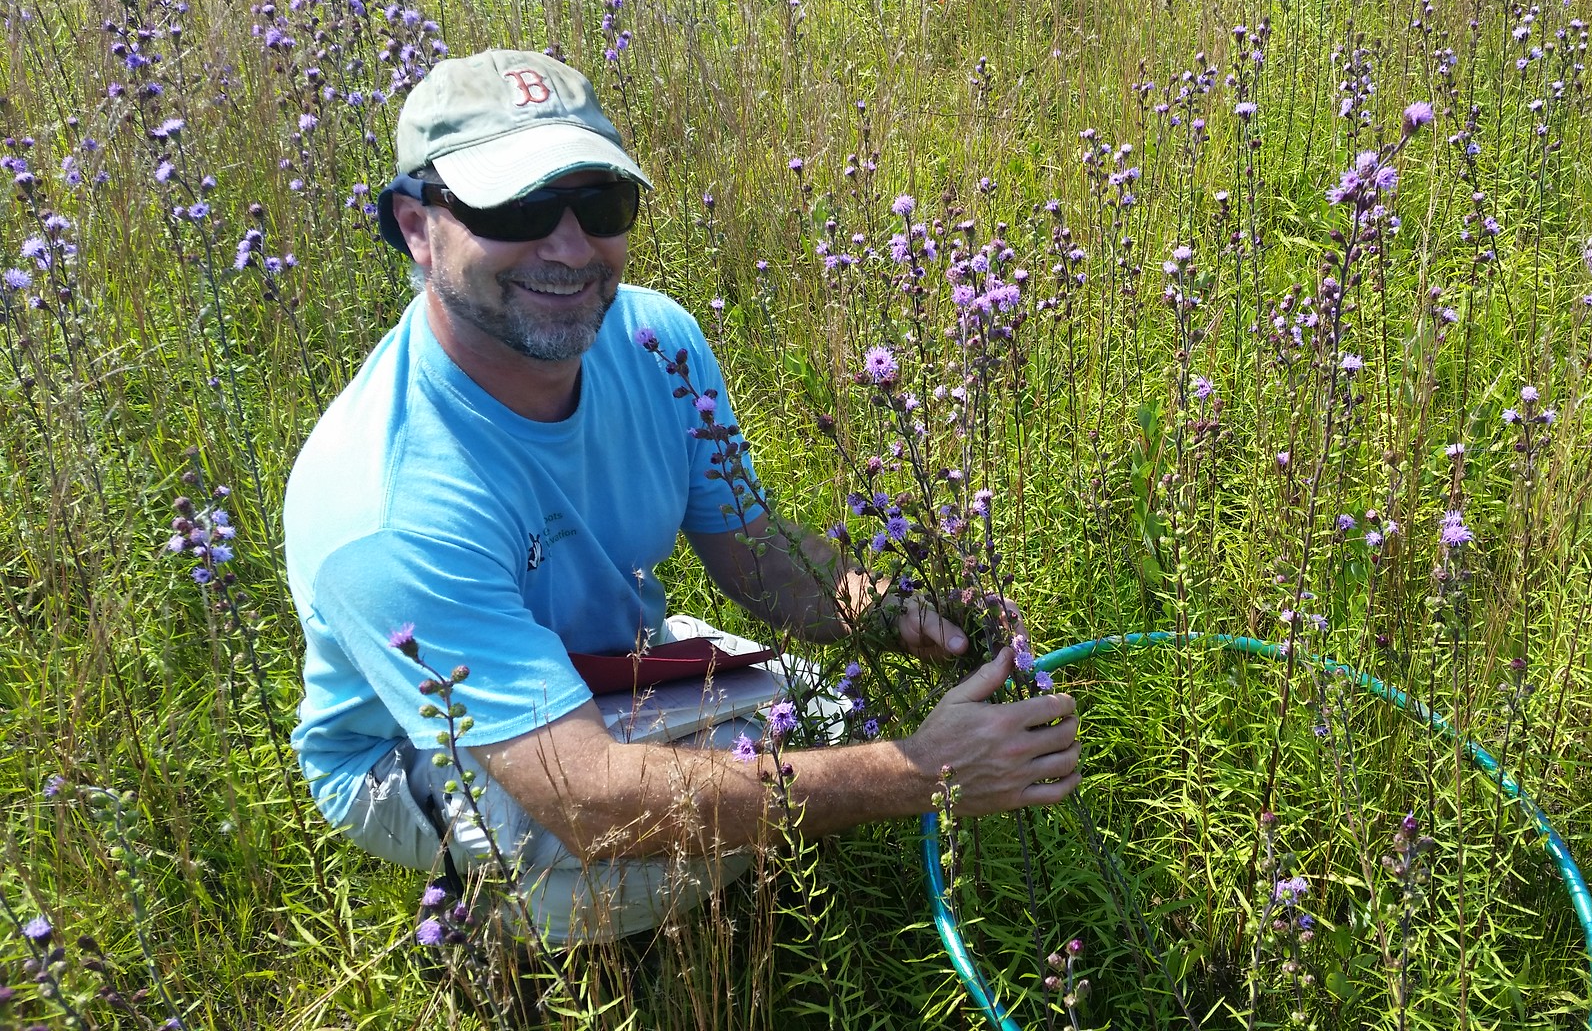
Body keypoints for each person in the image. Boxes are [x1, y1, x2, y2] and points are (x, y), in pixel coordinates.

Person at [284, 48, 1080, 943]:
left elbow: (753, 552)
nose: (569, 246)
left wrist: (890, 607)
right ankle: (492, 921)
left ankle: (709, 754)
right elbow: (583, 794)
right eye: (515, 208)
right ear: (418, 226)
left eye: (600, 203)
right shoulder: (389, 506)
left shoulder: (657, 341)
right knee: (631, 859)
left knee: (824, 724)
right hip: (428, 747)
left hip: (609, 668)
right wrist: (918, 774)